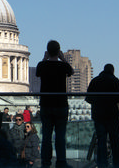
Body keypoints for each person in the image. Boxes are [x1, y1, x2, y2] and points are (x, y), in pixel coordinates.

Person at [36, 40, 74, 168]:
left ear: (47, 51)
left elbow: (37, 72)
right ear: (58, 51)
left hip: (46, 104)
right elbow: (71, 71)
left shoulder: (42, 65)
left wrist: (44, 58)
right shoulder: (63, 66)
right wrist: (63, 58)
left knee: (46, 137)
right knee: (60, 136)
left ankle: (45, 163)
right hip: (60, 103)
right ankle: (61, 162)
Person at [86, 64, 119, 168]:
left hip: (98, 114)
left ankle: (102, 164)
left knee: (101, 140)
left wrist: (98, 102)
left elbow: (88, 98)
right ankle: (118, 164)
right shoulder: (115, 80)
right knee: (114, 140)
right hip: (112, 114)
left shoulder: (95, 81)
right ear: (112, 70)